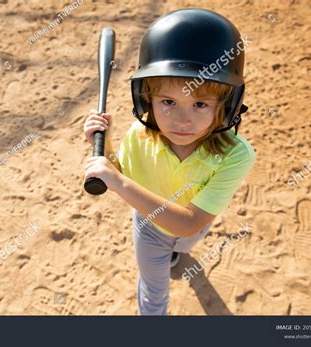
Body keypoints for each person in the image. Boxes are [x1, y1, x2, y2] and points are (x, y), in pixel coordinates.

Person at [84, 8, 256, 315]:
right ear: (146, 98)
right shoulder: (140, 135)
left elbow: (189, 222)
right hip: (149, 227)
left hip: (194, 226)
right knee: (154, 289)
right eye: (168, 101)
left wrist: (119, 181)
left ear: (228, 106)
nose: (182, 120)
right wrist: (104, 143)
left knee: (182, 244)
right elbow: (120, 173)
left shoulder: (235, 154)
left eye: (200, 103)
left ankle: (177, 254)